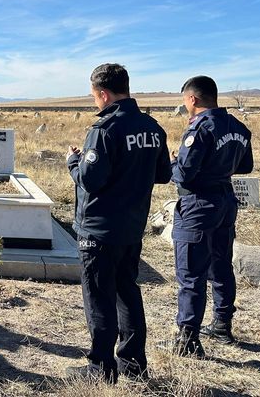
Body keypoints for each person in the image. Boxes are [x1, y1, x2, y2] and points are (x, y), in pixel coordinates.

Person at [65, 64, 171, 383]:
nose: (95, 102)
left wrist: (74, 161)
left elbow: (90, 179)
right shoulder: (152, 127)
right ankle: (133, 363)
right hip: (131, 228)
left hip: (99, 230)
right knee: (127, 292)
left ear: (103, 93)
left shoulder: (105, 130)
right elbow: (164, 174)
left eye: (94, 96)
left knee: (99, 298)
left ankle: (101, 369)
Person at [166, 76, 253, 357]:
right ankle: (222, 323)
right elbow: (246, 166)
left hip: (198, 205)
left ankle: (188, 337)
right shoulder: (238, 127)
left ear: (192, 99)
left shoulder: (200, 129)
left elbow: (184, 173)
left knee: (191, 272)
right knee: (221, 265)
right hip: (226, 201)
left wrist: (174, 162)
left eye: (185, 101)